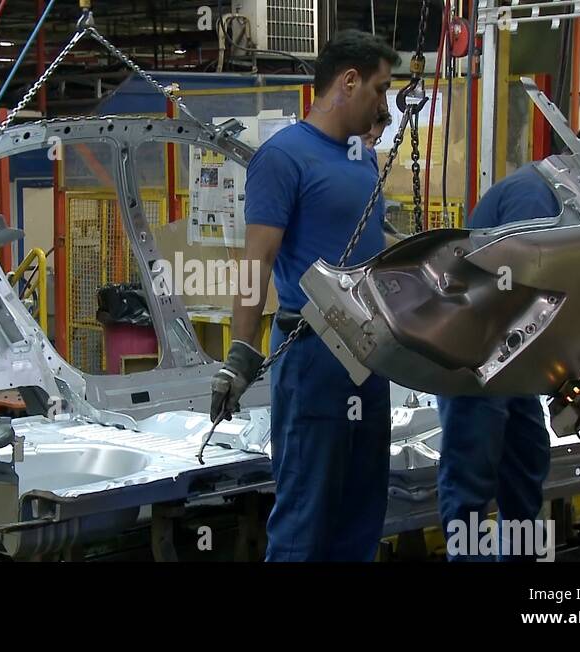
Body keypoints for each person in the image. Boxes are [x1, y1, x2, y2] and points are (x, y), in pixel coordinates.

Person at [210, 30, 400, 561]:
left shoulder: (360, 158)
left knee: (362, 512)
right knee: (306, 515)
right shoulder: (283, 157)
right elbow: (258, 260)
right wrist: (240, 353)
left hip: (369, 351)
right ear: (348, 80)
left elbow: (366, 237)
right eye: (380, 89)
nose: (384, 105)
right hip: (314, 351)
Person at [438, 108, 580, 561]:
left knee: (525, 464)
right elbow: (521, 295)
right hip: (477, 358)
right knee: (473, 474)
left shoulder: (578, 200)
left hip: (515, 365)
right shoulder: (537, 195)